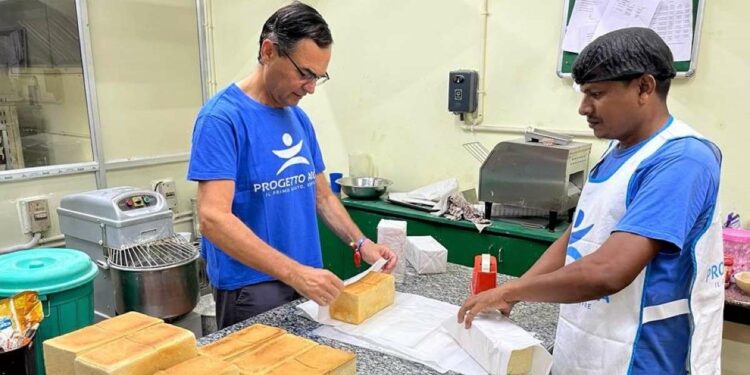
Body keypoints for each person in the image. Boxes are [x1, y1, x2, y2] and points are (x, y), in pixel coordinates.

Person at [457, 27, 723, 374]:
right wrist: (515, 291)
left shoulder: (683, 159)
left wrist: (511, 292)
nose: (584, 107)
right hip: (587, 341)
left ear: (644, 87)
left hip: (640, 356)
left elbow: (609, 271)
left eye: (596, 94)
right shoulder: (617, 149)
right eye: (584, 94)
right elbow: (578, 236)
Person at [187, 2, 397, 330]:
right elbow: (213, 218)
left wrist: (362, 243)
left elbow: (323, 196)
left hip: (307, 281)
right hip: (253, 289)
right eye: (304, 73)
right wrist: (295, 273)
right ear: (269, 51)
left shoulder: (298, 118)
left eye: (319, 77)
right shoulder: (222, 118)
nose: (311, 87)